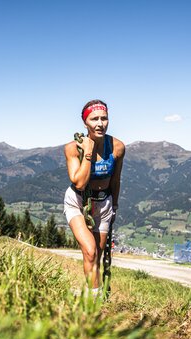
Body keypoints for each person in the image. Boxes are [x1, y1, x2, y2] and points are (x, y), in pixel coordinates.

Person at [63, 99, 125, 296]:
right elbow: (79, 183)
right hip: (78, 202)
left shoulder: (117, 147)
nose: (100, 123)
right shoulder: (73, 148)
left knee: (96, 256)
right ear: (85, 123)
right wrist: (88, 152)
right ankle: (95, 303)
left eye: (104, 118)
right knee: (90, 250)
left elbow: (116, 180)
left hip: (104, 203)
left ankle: (91, 294)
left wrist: (114, 206)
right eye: (94, 119)